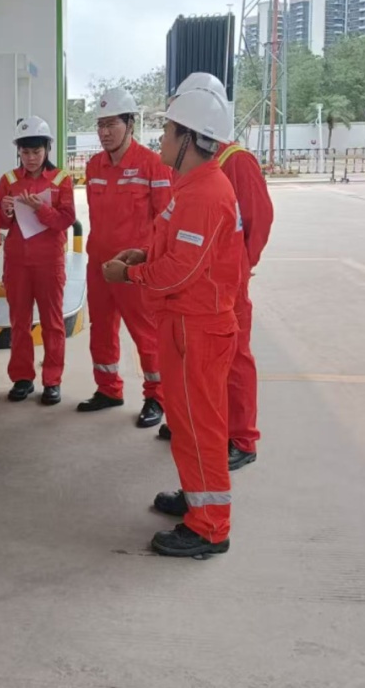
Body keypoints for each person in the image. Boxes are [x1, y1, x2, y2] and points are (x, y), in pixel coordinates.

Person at [103, 86, 243, 558]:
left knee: (201, 425)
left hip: (197, 326)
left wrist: (130, 274)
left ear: (190, 139)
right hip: (182, 322)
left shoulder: (205, 193)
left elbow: (182, 270)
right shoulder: (189, 186)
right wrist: (144, 254)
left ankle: (210, 527)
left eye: (167, 130)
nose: (160, 138)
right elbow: (175, 249)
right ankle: (196, 496)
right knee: (185, 421)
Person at [158, 73, 274, 472]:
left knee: (233, 360)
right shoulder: (186, 163)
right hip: (194, 285)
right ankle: (197, 424)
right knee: (197, 368)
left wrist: (236, 270)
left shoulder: (234, 161)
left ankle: (241, 437)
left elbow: (258, 221)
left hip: (223, 286)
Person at [79, 87, 172, 427]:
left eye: (112, 124)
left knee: (146, 334)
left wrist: (149, 262)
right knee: (101, 329)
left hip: (135, 267)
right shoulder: (94, 166)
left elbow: (166, 220)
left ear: (130, 124)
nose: (104, 132)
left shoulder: (153, 165)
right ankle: (108, 389)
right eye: (100, 125)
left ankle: (157, 397)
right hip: (99, 265)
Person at [0, 116, 76, 406]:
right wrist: (5, 211)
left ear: (47, 149)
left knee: (52, 322)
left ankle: (52, 380)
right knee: (19, 322)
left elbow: (66, 220)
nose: (31, 158)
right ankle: (22, 378)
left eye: (36, 151)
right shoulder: (8, 181)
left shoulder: (61, 180)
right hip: (17, 262)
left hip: (49, 262)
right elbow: (0, 223)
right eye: (25, 152)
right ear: (18, 151)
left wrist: (42, 209)